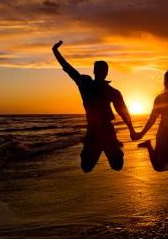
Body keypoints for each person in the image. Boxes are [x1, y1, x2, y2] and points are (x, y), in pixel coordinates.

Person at [52, 40, 137, 172]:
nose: (101, 73)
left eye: (104, 71)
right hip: (93, 130)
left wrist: (131, 130)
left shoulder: (112, 91)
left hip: (107, 129)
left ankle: (112, 148)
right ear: (94, 71)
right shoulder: (85, 83)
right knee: (86, 167)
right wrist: (55, 51)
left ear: (106, 73)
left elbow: (123, 112)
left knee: (117, 166)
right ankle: (93, 148)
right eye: (99, 70)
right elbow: (68, 68)